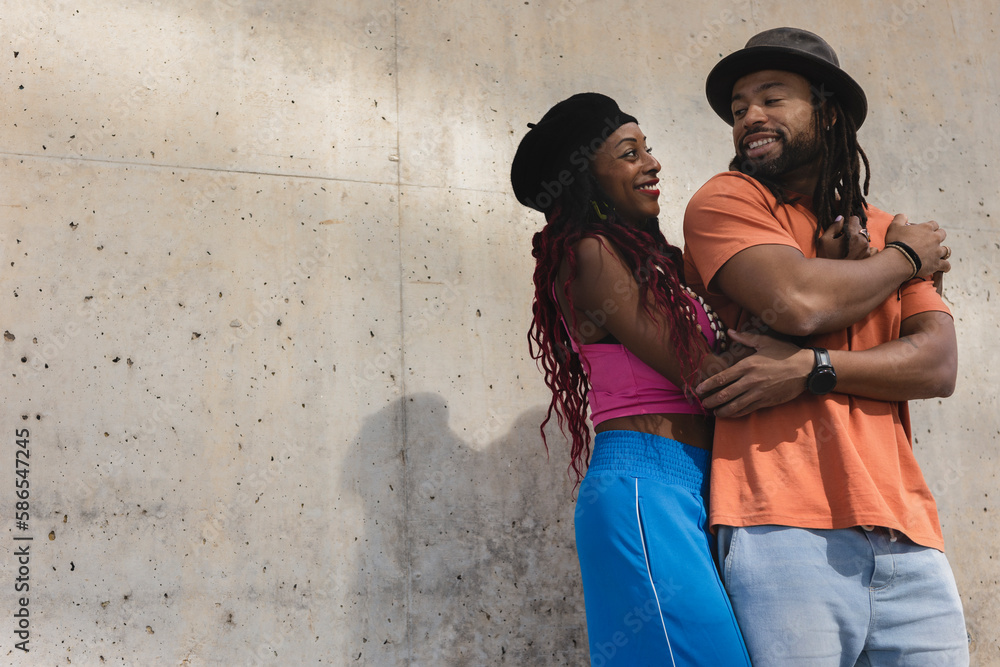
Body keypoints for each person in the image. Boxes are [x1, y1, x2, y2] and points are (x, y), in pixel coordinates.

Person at [683, 27, 968, 665]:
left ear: (828, 112)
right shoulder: (727, 202)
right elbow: (798, 303)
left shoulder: (889, 228)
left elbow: (937, 365)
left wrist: (811, 369)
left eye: (772, 99)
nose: (749, 117)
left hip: (907, 533)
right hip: (780, 524)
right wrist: (902, 262)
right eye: (737, 109)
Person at [511, 92, 760, 666]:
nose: (652, 164)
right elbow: (707, 378)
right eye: (629, 153)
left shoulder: (651, 264)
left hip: (689, 489)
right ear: (585, 178)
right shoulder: (591, 255)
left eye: (647, 149)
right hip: (645, 488)